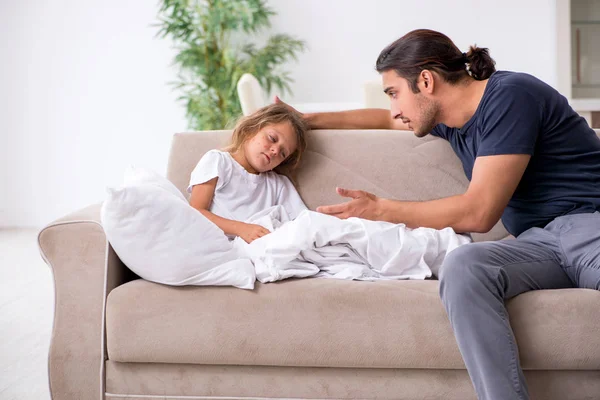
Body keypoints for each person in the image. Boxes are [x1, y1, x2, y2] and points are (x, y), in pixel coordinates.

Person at [277, 28, 600, 400]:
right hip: (537, 242)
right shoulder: (451, 122)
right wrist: (308, 119)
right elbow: (386, 120)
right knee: (464, 265)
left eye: (395, 92)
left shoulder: (511, 96)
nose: (395, 107)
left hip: (589, 224)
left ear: (426, 81)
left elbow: (479, 212)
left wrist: (380, 210)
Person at [188, 103, 309, 244]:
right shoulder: (218, 161)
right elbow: (195, 211)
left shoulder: (278, 184)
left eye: (283, 153)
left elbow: (303, 222)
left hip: (257, 250)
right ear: (250, 129)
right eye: (272, 138)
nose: (275, 151)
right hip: (214, 244)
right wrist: (241, 229)